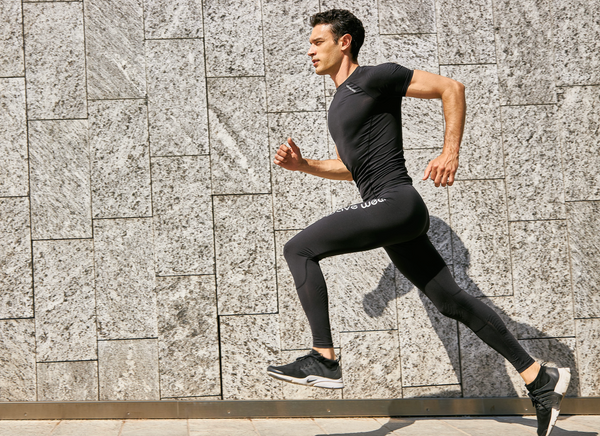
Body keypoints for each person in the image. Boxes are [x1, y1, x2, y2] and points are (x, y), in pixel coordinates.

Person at [266, 9, 570, 436]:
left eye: (318, 42)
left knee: (298, 248)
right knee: (451, 302)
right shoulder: (340, 101)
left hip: (397, 203)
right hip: (389, 209)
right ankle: (539, 377)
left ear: (345, 42)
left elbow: (451, 87)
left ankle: (324, 358)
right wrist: (305, 166)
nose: (310, 50)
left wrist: (450, 152)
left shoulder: (375, 77)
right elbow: (356, 168)